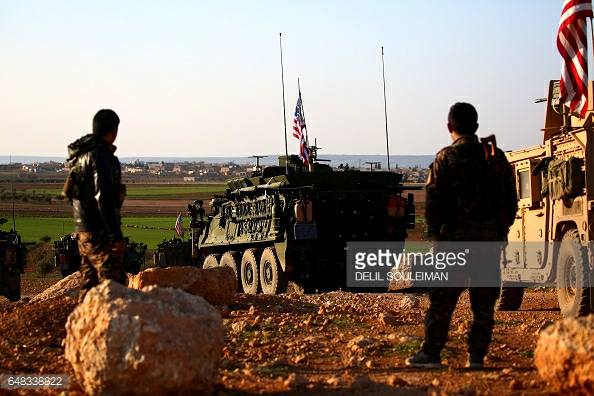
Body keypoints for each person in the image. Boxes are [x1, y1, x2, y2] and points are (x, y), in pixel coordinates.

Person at [406, 102, 518, 369]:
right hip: (488, 245)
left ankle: (431, 353)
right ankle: (476, 356)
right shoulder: (495, 157)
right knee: (483, 306)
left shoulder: (445, 158)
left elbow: (432, 205)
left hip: (452, 245)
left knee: (442, 302)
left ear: (449, 128)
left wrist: (436, 238)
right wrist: (499, 231)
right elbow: (510, 203)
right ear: (476, 127)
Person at [63, 109, 127, 301]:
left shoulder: (81, 156)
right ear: (113, 131)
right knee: (114, 285)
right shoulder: (101, 156)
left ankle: (84, 327)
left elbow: (69, 192)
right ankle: (111, 328)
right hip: (99, 231)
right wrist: (115, 235)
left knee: (89, 285)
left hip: (83, 230)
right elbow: (104, 198)